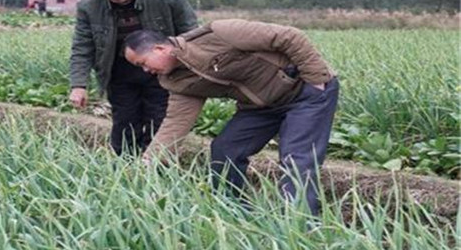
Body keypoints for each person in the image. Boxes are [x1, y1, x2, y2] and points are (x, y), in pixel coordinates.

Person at [124, 19, 339, 215]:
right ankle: (232, 210)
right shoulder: (174, 81)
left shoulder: (219, 33)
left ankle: (300, 222)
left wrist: (316, 79)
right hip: (260, 106)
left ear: (159, 48)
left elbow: (289, 36)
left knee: (297, 156)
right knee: (225, 149)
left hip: (304, 92)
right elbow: (176, 122)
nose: (145, 70)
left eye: (143, 63)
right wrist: (150, 159)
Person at [69, 0, 198, 155]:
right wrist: (78, 85)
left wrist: (189, 70)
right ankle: (126, 170)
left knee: (160, 120)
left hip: (162, 71)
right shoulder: (88, 8)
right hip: (119, 73)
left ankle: (157, 170)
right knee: (124, 122)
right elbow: (82, 47)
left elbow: (192, 36)